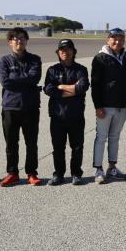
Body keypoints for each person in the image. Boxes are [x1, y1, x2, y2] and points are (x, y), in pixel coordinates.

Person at [0, 27, 43, 187]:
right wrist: (25, 78)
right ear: (10, 42)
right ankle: (12, 173)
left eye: (22, 38)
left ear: (26, 41)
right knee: (11, 143)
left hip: (30, 107)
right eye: (15, 38)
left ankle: (31, 172)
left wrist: (15, 77)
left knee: (31, 143)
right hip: (10, 107)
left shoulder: (35, 59)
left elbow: (34, 78)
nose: (19, 41)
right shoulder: (4, 60)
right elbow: (5, 82)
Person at [42, 39, 90, 186]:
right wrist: (71, 89)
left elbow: (82, 87)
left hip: (76, 115)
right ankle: (58, 174)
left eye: (68, 49)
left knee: (77, 147)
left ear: (73, 52)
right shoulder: (52, 70)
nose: (65, 52)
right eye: (62, 49)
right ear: (58, 53)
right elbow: (48, 89)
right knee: (58, 147)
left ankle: (76, 174)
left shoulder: (81, 69)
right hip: (57, 116)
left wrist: (61, 87)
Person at [90, 28, 126, 184]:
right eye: (114, 38)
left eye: (121, 39)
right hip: (105, 106)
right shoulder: (100, 58)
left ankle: (112, 168)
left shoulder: (125, 57)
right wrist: (98, 106)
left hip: (121, 105)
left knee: (115, 137)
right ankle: (98, 169)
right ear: (108, 40)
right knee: (101, 138)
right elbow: (95, 84)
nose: (117, 41)